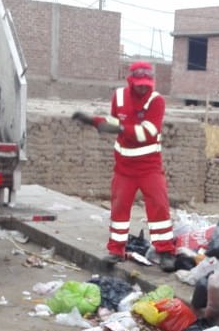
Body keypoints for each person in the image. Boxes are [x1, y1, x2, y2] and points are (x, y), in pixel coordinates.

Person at [72, 61, 177, 272]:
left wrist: (118, 128)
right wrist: (94, 121)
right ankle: (116, 250)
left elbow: (147, 132)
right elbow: (112, 120)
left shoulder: (156, 101)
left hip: (149, 167)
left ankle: (165, 251)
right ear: (130, 80)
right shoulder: (119, 96)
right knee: (119, 208)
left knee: (158, 205)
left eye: (146, 84)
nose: (142, 87)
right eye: (138, 84)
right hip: (123, 167)